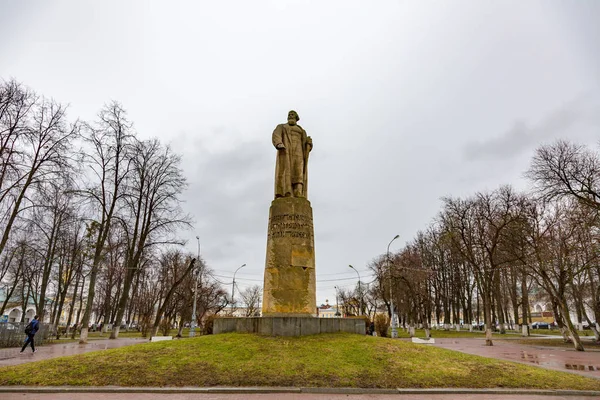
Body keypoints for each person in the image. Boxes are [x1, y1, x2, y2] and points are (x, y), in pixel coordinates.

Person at [272, 110, 313, 198]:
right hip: (286, 150)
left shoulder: (301, 130)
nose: (290, 116)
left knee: (298, 170)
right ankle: (286, 192)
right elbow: (276, 135)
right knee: (286, 171)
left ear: (296, 118)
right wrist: (279, 143)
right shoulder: (282, 127)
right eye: (289, 115)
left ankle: (298, 191)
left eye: (292, 115)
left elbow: (306, 144)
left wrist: (309, 144)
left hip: (299, 151)